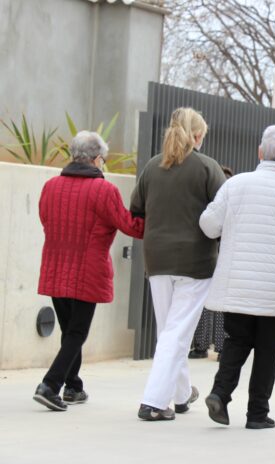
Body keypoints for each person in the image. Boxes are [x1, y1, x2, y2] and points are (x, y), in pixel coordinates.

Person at [199, 126, 275, 429]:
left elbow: (209, 226)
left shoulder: (236, 185)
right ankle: (257, 413)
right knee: (268, 352)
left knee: (236, 342)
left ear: (260, 152)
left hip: (239, 284)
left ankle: (220, 394)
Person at [33, 131, 144, 411]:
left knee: (69, 330)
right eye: (103, 160)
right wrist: (148, 215)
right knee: (77, 332)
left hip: (55, 265)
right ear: (96, 159)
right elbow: (130, 225)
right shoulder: (103, 190)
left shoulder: (50, 186)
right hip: (87, 269)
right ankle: (50, 385)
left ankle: (73, 386)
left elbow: (46, 221)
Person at [131, 107, 226, 421]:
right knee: (176, 332)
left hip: (157, 258)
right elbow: (221, 213)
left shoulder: (151, 167)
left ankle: (182, 395)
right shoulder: (208, 168)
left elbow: (137, 209)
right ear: (198, 135)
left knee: (170, 330)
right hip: (195, 261)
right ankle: (154, 402)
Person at [190, 165, 235, 360]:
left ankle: (202, 346)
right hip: (223, 256)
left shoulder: (211, 202)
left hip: (209, 254)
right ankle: (221, 347)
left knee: (206, 304)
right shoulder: (231, 196)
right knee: (220, 306)